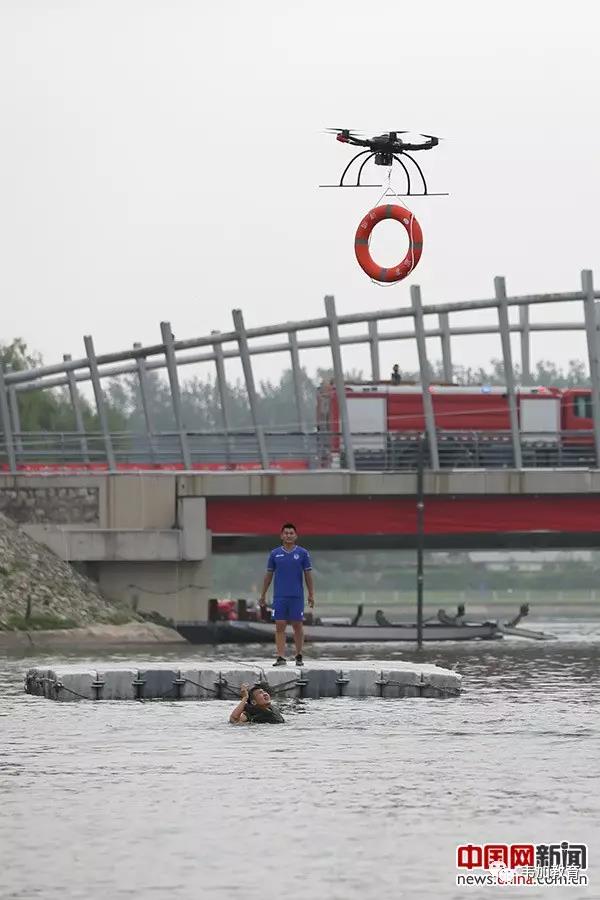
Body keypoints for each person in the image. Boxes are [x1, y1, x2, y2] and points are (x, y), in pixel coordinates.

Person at [259, 522, 314, 667]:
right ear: (281, 536)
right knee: (280, 625)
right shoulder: (275, 554)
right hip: (280, 596)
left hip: (296, 595)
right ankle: (281, 656)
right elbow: (268, 575)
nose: (288, 535)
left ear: (295, 536)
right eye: (286, 533)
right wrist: (263, 594)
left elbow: (308, 575)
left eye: (291, 533)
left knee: (297, 624)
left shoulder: (302, 553)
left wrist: (311, 594)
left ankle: (299, 655)